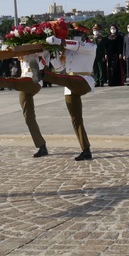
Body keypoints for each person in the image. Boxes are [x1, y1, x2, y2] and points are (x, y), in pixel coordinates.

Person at [43, 23, 97, 161]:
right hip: (68, 83)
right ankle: (86, 149)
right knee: (76, 119)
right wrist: (52, 54)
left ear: (84, 35)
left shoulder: (90, 47)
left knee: (67, 79)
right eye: (74, 34)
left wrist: (59, 41)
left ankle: (43, 75)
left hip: (83, 80)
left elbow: (76, 45)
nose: (76, 36)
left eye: (78, 34)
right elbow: (60, 68)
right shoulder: (66, 51)